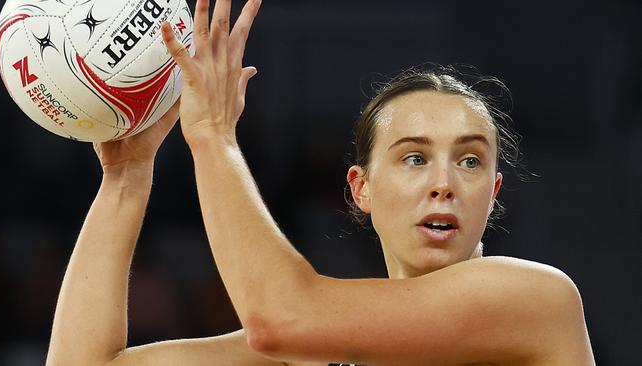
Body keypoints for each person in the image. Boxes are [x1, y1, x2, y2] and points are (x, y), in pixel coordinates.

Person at [45, 0, 596, 365]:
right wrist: (125, 180)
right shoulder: (321, 343)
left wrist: (214, 135)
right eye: (413, 158)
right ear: (361, 189)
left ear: (493, 194)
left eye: (470, 161)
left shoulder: (537, 300)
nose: (444, 182)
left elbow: (280, 319)